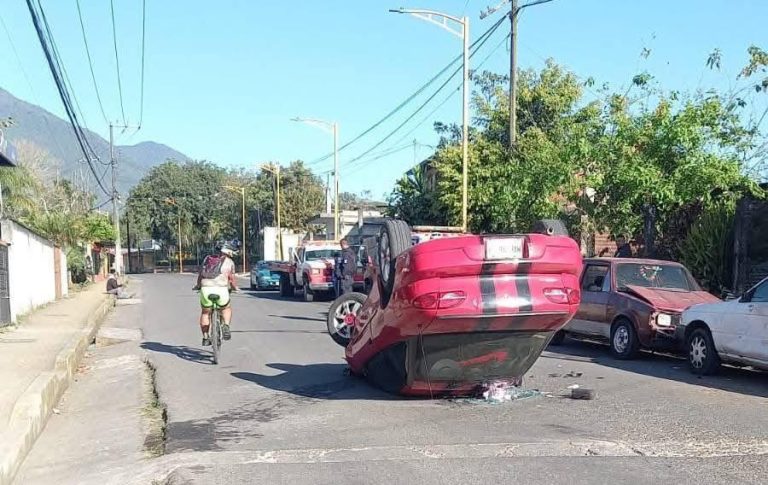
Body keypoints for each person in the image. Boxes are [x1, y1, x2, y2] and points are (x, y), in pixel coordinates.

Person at [194, 243, 237, 346]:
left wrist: (198, 285)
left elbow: (200, 275)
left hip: (206, 289)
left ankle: (205, 336)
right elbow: (231, 279)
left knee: (205, 313)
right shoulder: (229, 262)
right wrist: (235, 288)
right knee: (226, 308)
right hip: (221, 290)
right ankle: (226, 325)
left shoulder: (207, 259)